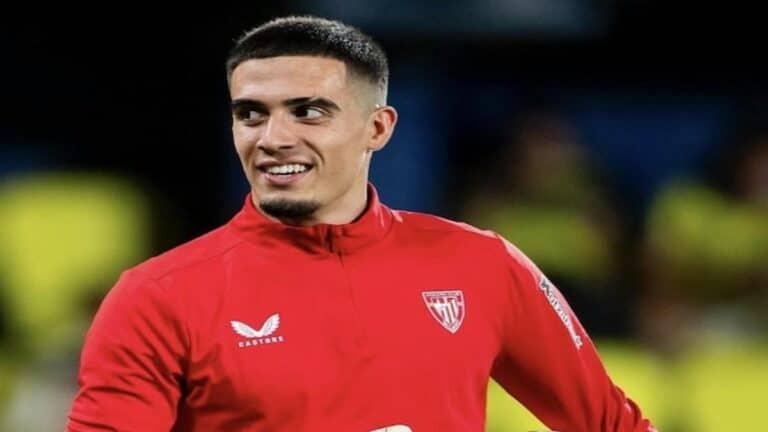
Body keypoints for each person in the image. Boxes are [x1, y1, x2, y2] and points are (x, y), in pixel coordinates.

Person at [66, 15, 656, 432]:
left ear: (378, 129)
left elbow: (608, 423)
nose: (273, 139)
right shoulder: (158, 297)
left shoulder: (482, 266)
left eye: (308, 112)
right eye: (251, 114)